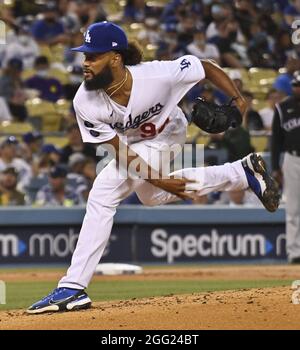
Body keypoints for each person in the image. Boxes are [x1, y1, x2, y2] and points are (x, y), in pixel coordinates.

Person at [27, 21, 279, 314]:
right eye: (85, 55)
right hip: (133, 144)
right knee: (151, 196)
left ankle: (72, 288)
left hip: (169, 130)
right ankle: (241, 173)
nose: (86, 62)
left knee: (103, 192)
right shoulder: (85, 100)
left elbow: (205, 67)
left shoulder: (157, 75)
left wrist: (238, 100)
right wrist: (159, 181)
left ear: (116, 58)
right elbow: (119, 152)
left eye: (93, 56)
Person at [271, 70, 300, 264]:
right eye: (296, 85)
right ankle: (295, 251)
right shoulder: (283, 107)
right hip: (293, 159)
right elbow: (276, 141)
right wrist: (275, 166)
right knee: (293, 206)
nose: (298, 88)